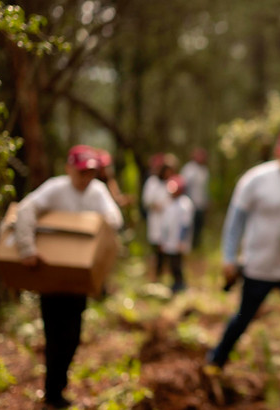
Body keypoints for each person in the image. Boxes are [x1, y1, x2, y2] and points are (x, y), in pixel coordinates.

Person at [207, 127, 280, 393]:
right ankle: (216, 360)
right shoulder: (255, 180)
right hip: (258, 267)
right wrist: (228, 257)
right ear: (279, 153)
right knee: (244, 318)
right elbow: (235, 223)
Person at [13, 145, 123, 409]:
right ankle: (52, 393)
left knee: (72, 336)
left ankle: (58, 386)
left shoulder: (97, 192)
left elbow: (114, 219)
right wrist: (27, 249)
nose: (86, 178)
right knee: (54, 336)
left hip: (78, 279)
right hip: (50, 274)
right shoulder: (55, 188)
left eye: (91, 173)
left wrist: (99, 225)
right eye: (81, 172)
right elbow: (26, 210)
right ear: (69, 169)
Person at [141, 153, 177, 281]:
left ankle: (164, 274)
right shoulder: (152, 182)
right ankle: (155, 275)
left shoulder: (171, 183)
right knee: (157, 249)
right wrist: (157, 206)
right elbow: (146, 201)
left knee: (167, 249)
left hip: (168, 221)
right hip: (156, 220)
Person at [159, 174, 194, 293]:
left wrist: (181, 240)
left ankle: (180, 284)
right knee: (171, 263)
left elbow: (185, 224)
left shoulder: (185, 204)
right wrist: (163, 239)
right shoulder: (169, 203)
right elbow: (165, 223)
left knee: (177, 263)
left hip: (178, 241)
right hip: (169, 239)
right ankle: (175, 283)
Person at [180, 147, 210, 249]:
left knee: (199, 225)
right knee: (189, 224)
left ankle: (197, 245)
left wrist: (207, 201)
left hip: (200, 204)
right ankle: (188, 245)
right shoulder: (188, 169)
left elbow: (205, 189)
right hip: (190, 203)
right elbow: (184, 186)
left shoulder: (204, 170)